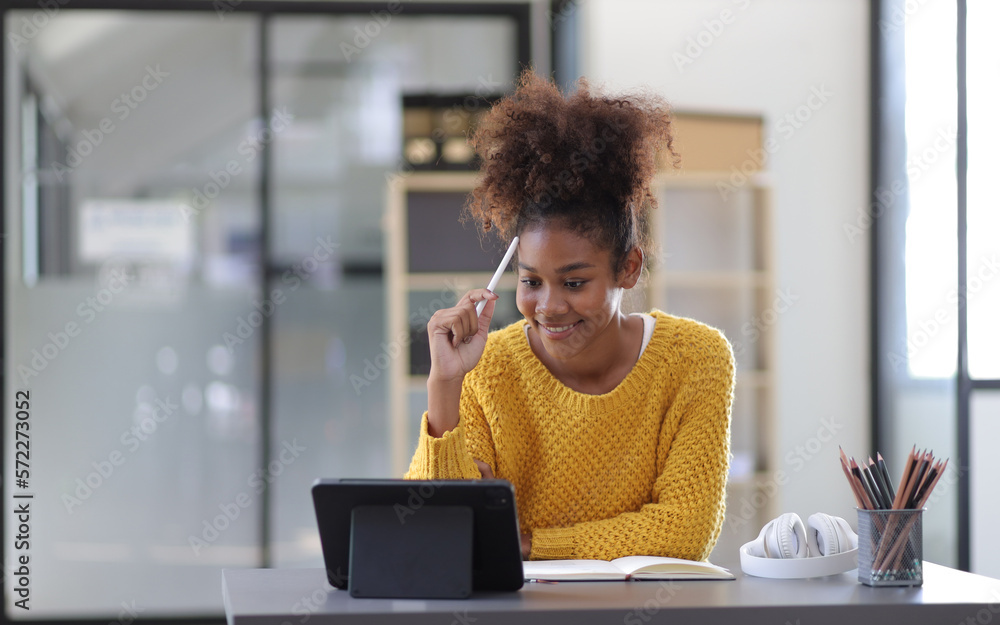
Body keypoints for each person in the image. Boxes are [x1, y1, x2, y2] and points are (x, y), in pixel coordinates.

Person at [404, 70, 735, 563]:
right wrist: (445, 385)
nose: (550, 307)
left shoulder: (696, 359)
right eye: (532, 281)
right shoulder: (488, 371)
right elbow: (431, 532)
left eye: (574, 282)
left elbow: (685, 530)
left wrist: (527, 542)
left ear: (628, 267)